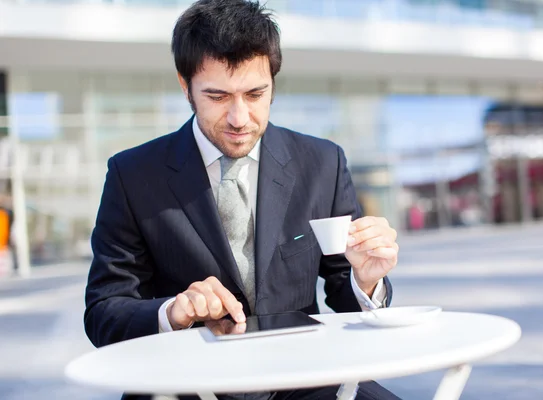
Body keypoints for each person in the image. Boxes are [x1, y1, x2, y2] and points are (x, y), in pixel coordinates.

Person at [84, 1, 401, 399]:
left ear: (273, 83)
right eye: (217, 96)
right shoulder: (133, 175)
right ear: (186, 87)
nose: (239, 117)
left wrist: (366, 281)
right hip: (187, 382)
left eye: (255, 94)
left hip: (305, 378)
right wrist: (172, 312)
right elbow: (104, 312)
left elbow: (343, 287)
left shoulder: (323, 163)